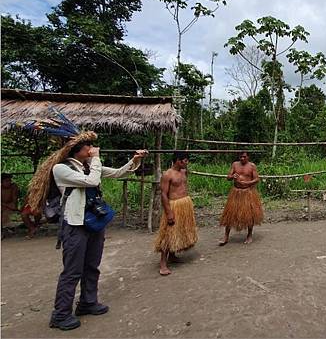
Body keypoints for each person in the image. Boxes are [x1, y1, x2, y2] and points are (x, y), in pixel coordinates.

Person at [25, 127, 148, 331]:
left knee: (92, 265)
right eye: (88, 146)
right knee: (72, 270)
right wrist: (97, 159)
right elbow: (92, 180)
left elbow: (118, 173)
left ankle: (87, 302)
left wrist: (135, 160)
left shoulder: (89, 165)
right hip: (75, 225)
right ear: (77, 150)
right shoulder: (61, 169)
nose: (92, 149)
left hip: (93, 222)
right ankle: (61, 313)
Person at [154, 151, 198, 276]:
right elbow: (163, 194)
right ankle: (163, 263)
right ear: (178, 160)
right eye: (185, 161)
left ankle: (172, 256)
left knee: (177, 233)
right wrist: (169, 213)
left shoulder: (184, 171)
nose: (187, 163)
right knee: (168, 234)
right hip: (174, 205)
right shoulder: (167, 174)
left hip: (185, 204)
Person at [219, 151, 263, 245]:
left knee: (249, 215)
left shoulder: (252, 166)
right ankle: (226, 236)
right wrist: (232, 176)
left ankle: (249, 235)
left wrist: (247, 183)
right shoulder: (235, 164)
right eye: (240, 157)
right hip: (236, 192)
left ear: (248, 157)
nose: (242, 159)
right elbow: (228, 177)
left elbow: (256, 179)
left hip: (248, 192)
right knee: (230, 215)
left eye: (244, 157)